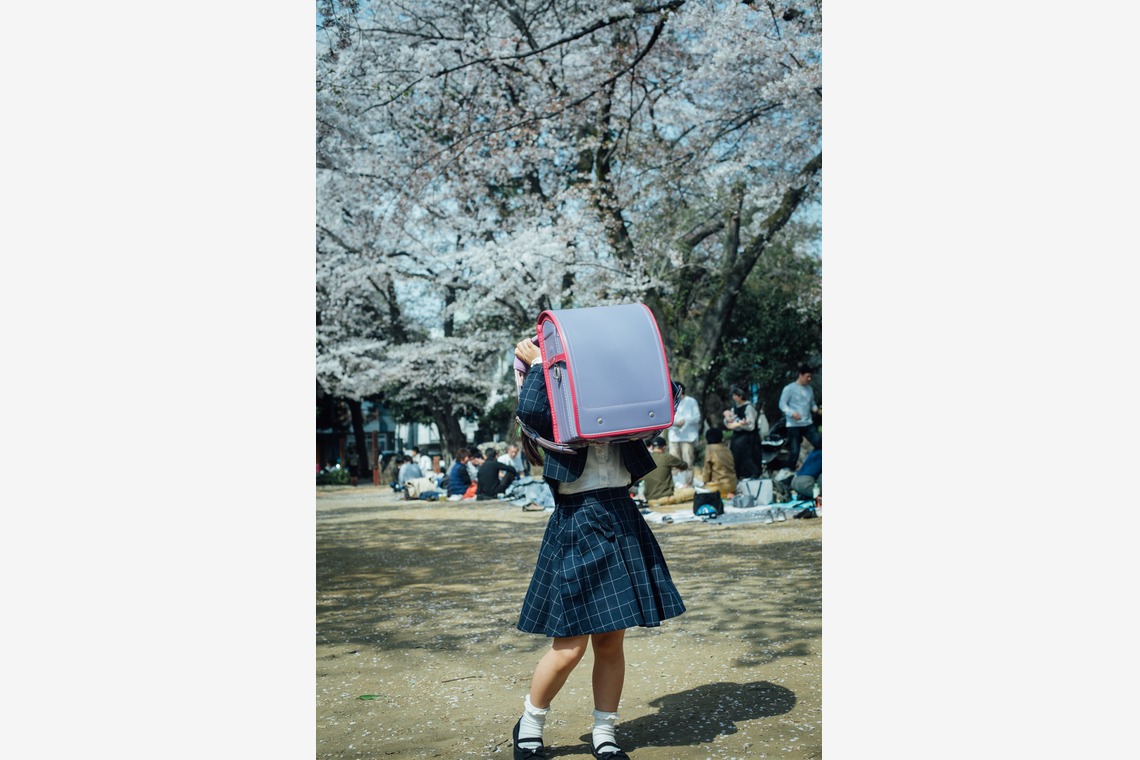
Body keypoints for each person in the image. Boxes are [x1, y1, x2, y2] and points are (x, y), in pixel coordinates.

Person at [510, 336, 685, 760]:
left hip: (621, 517)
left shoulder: (619, 406)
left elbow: (667, 396)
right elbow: (530, 412)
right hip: (576, 520)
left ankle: (605, 733)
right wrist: (539, 367)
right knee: (569, 646)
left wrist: (625, 362)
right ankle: (530, 724)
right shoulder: (553, 405)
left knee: (610, 642)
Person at [778, 364, 822, 470]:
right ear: (801, 375)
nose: (809, 379)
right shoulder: (789, 388)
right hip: (793, 425)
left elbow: (811, 404)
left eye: (810, 377)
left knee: (819, 443)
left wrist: (817, 410)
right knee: (794, 451)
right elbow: (782, 404)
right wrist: (792, 413)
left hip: (808, 423)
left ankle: (817, 467)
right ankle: (790, 472)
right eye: (807, 376)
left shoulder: (809, 389)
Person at [722, 386, 766, 479]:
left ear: (740, 396)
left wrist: (740, 424)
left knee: (749, 458)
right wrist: (728, 420)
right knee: (736, 457)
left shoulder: (749, 407)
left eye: (735, 395)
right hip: (737, 437)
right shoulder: (735, 408)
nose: (733, 398)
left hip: (748, 437)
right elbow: (730, 420)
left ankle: (752, 475)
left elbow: (751, 425)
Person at [666, 382, 700, 486]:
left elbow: (697, 417)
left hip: (688, 436)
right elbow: (666, 420)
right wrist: (676, 423)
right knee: (674, 462)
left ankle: (688, 484)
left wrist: (685, 420)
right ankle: (676, 484)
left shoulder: (691, 401)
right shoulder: (669, 402)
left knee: (688, 461)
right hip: (674, 436)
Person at [641, 437, 687, 502]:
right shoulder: (667, 457)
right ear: (664, 447)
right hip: (665, 497)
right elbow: (684, 465)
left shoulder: (646, 459)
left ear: (652, 447)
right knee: (691, 492)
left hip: (649, 498)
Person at [699, 428, 737, 498]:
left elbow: (707, 470)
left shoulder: (710, 449)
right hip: (733, 484)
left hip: (719, 485)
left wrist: (705, 482)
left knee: (699, 490)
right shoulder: (726, 448)